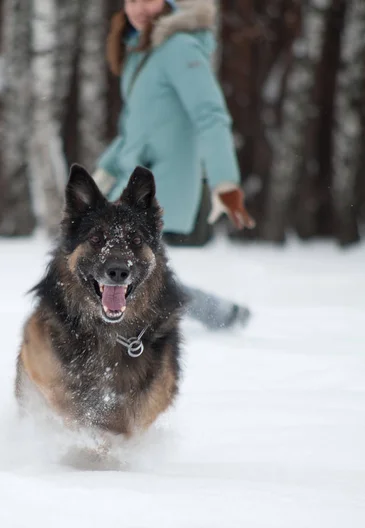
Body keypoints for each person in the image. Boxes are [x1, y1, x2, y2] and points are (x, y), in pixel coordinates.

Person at [92, 0, 255, 330]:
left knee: (142, 270)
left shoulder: (178, 48)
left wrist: (225, 181)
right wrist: (105, 172)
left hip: (162, 182)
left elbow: (210, 115)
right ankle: (221, 313)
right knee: (147, 271)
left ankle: (215, 315)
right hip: (132, 179)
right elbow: (131, 132)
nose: (138, 7)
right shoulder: (141, 51)